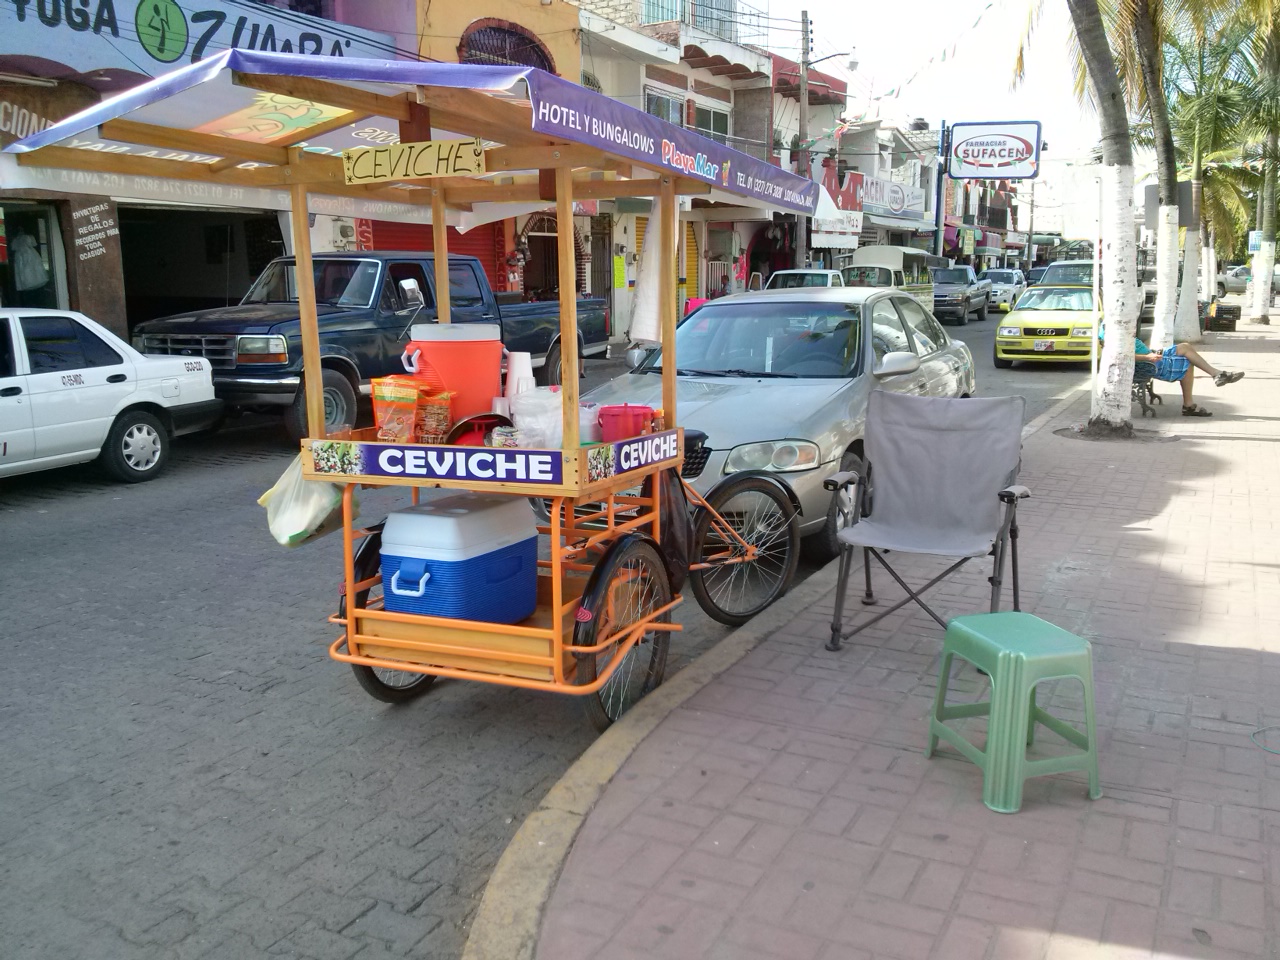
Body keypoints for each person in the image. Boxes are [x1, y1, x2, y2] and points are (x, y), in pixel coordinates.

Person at [1101, 324, 1244, 416]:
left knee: (1185, 347)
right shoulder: (1110, 328)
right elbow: (1119, 356)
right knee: (1187, 363)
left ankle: (1216, 374)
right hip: (1147, 364)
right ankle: (1190, 404)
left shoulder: (1118, 321)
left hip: (1151, 356)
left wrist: (1150, 352)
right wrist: (1147, 357)